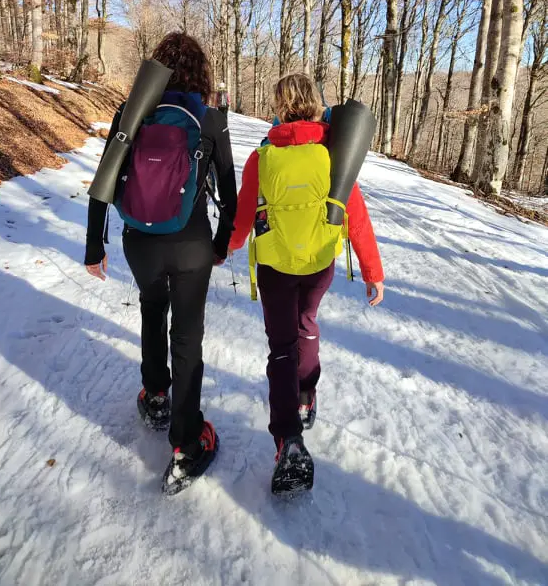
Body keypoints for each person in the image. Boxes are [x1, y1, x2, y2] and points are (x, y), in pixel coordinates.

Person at [84, 32, 237, 494]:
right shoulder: (209, 119)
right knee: (187, 337)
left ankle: (154, 395)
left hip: (140, 241)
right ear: (201, 74)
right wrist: (221, 243)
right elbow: (229, 195)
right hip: (191, 244)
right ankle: (187, 444)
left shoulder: (133, 111)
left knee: (153, 305)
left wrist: (95, 246)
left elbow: (103, 181)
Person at [228, 73, 384, 494]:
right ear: (317, 105)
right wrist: (373, 272)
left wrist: (227, 246)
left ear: (279, 109)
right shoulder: (335, 156)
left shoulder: (262, 158)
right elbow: (357, 217)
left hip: (276, 265)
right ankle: (306, 395)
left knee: (281, 346)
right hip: (318, 264)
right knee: (307, 325)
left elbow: (244, 216)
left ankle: (288, 438)